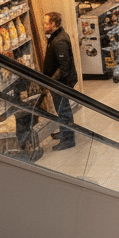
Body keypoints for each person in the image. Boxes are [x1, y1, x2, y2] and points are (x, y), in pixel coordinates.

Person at [42, 11, 79, 150]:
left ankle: (68, 139)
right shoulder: (54, 37)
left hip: (61, 84)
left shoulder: (60, 41)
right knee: (61, 109)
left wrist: (51, 82)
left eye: (46, 23)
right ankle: (65, 132)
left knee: (63, 110)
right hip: (58, 83)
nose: (44, 26)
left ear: (53, 24)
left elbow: (64, 67)